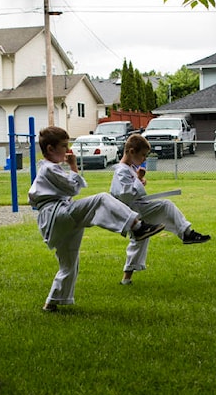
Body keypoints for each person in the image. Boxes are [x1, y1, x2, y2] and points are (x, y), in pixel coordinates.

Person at [29, 126, 165, 312]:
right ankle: (137, 226)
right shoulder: (48, 168)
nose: (68, 150)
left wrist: (70, 168)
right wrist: (73, 167)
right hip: (57, 215)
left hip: (57, 218)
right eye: (64, 146)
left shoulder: (49, 169)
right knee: (101, 199)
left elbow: (68, 189)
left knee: (69, 264)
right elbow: (72, 188)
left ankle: (51, 303)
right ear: (51, 149)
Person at [110, 134, 210, 286]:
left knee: (140, 239)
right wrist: (138, 181)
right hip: (130, 211)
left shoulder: (129, 169)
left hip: (136, 208)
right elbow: (125, 194)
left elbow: (131, 189)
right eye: (143, 155)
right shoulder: (121, 171)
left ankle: (126, 278)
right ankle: (187, 233)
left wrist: (138, 179)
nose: (144, 159)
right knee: (166, 206)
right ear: (131, 151)